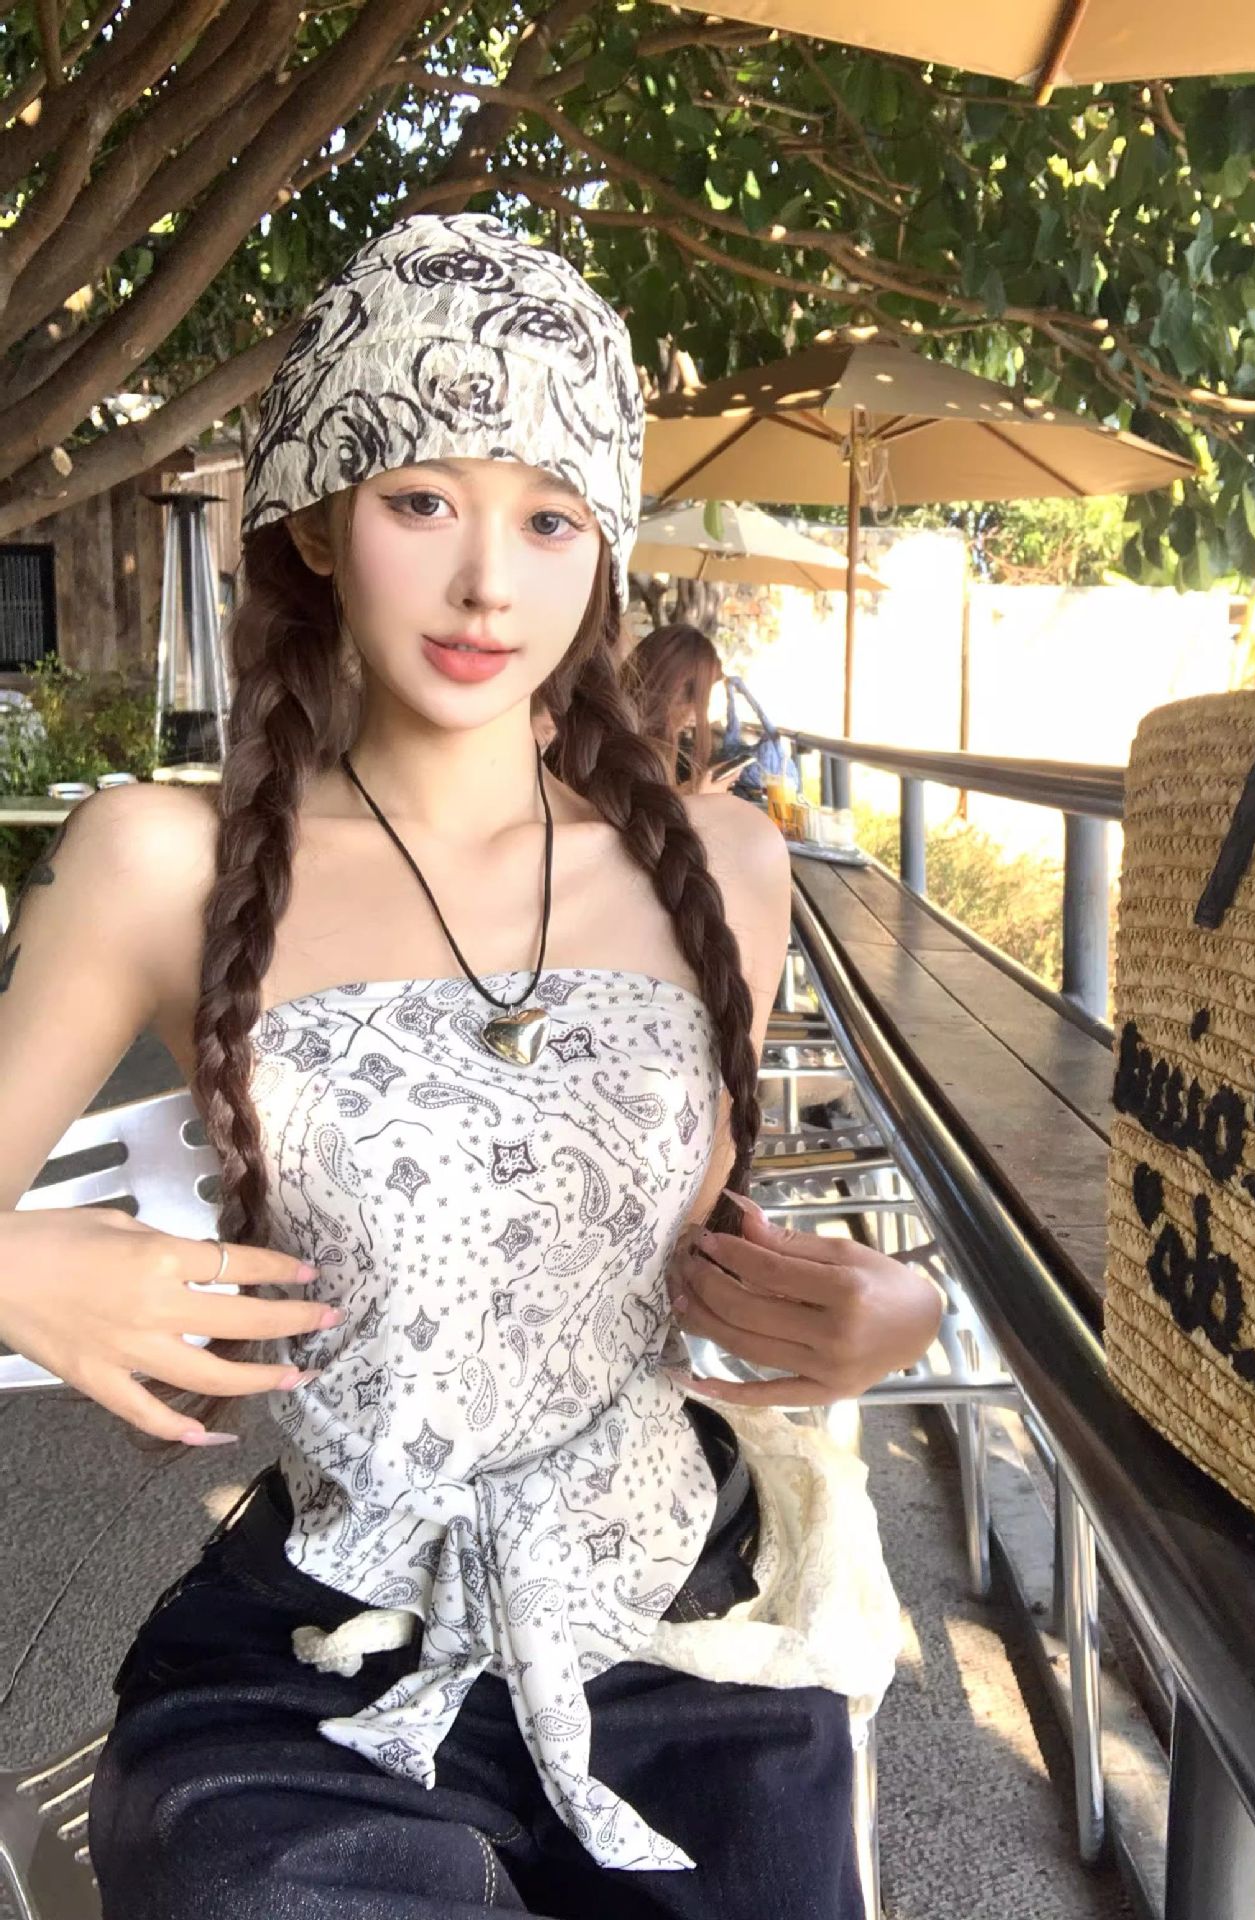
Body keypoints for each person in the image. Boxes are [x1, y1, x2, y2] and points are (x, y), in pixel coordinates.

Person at [0, 214, 941, 1919]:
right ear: (315, 521)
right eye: (422, 500)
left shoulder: (724, 862)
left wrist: (885, 1318)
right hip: (317, 1662)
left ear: (604, 551)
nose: (490, 584)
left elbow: (684, 1261)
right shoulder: (159, 860)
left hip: (684, 1634)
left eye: (551, 517)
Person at [625, 623, 741, 794]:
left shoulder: (639, 739)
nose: (696, 714)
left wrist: (685, 792)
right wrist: (696, 800)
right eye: (698, 698)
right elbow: (632, 810)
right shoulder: (632, 752)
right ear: (676, 690)